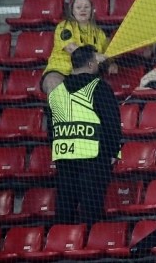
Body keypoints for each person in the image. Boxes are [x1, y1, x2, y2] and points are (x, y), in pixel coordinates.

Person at [48, 44, 121, 224]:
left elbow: (51, 127)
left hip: (65, 158)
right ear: (90, 65)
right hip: (94, 158)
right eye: (96, 60)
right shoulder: (99, 87)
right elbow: (111, 122)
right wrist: (113, 152)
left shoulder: (57, 91)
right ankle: (88, 240)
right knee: (91, 211)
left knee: (65, 209)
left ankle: (63, 240)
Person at [42, 0, 108, 95]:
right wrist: (94, 55)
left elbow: (106, 53)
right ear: (72, 11)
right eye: (78, 7)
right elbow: (70, 48)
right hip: (60, 71)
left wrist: (111, 63)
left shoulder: (99, 33)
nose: (83, 10)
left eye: (86, 7)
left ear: (92, 10)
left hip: (85, 73)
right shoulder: (64, 26)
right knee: (53, 82)